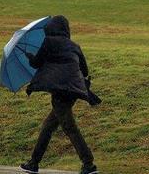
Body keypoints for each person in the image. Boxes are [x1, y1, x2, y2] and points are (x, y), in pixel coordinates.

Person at [21, 16, 99, 174]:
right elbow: (85, 71)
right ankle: (34, 163)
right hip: (74, 91)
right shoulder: (74, 46)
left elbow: (37, 63)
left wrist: (30, 57)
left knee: (69, 127)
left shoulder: (48, 42)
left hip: (60, 90)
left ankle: (88, 163)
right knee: (48, 127)